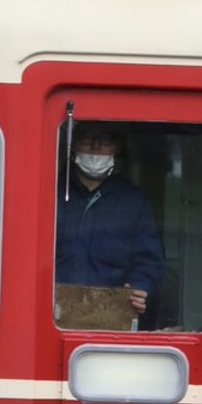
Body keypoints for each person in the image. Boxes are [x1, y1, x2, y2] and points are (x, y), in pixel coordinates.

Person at [55, 123, 164, 320]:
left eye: (105, 139)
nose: (96, 146)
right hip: (52, 315)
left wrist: (140, 288)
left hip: (110, 319)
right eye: (87, 138)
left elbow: (148, 261)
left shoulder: (133, 201)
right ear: (73, 143)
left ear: (117, 146)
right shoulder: (49, 191)